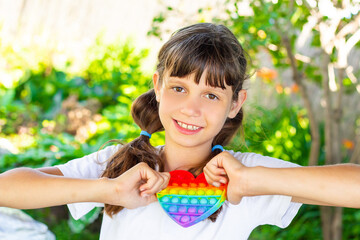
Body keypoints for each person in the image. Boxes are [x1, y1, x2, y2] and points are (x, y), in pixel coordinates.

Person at [0, 23, 360, 239]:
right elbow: (7, 190)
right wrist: (108, 189)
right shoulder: (119, 166)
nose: (192, 108)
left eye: (211, 94)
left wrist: (253, 182)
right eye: (179, 88)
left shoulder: (244, 174)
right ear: (157, 86)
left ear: (235, 103)